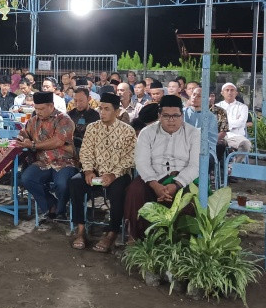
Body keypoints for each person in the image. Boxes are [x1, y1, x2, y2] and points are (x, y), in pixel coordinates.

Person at [125, 95, 200, 241]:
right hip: (153, 177)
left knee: (190, 199)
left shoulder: (194, 134)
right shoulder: (147, 133)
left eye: (175, 116)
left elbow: (195, 165)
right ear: (159, 115)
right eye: (166, 116)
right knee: (135, 190)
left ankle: (180, 242)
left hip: (182, 179)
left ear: (182, 115)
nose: (171, 120)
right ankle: (136, 238)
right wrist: (155, 185)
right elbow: (141, 162)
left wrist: (176, 184)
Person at [68, 92, 136, 252]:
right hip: (95, 173)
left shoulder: (127, 131)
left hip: (117, 175)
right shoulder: (92, 128)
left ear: (117, 112)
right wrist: (88, 171)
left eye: (107, 109)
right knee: (75, 182)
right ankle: (80, 230)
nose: (102, 112)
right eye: (100, 108)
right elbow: (85, 152)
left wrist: (113, 174)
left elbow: (131, 157)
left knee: (119, 190)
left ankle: (112, 233)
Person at [18, 91, 77, 222]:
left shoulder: (64, 119)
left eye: (41, 109)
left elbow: (58, 141)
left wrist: (33, 145)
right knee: (27, 178)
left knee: (62, 184)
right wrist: (22, 138)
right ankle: (51, 205)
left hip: (64, 162)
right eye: (36, 108)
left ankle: (61, 211)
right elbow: (24, 134)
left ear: (51, 106)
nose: (38, 112)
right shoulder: (33, 121)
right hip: (42, 162)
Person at [184, 86, 220, 183]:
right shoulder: (182, 113)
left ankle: (200, 188)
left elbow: (211, 139)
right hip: (183, 148)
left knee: (205, 160)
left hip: (205, 150)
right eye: (193, 95)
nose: (194, 98)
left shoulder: (211, 117)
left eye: (199, 96)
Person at [216, 82, 252, 154]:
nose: (230, 92)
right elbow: (215, 123)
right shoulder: (217, 107)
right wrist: (234, 122)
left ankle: (234, 164)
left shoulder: (243, 107)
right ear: (222, 93)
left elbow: (241, 123)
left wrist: (224, 123)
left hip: (236, 136)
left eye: (232, 90)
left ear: (236, 93)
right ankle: (219, 164)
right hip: (220, 135)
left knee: (246, 144)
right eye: (227, 90)